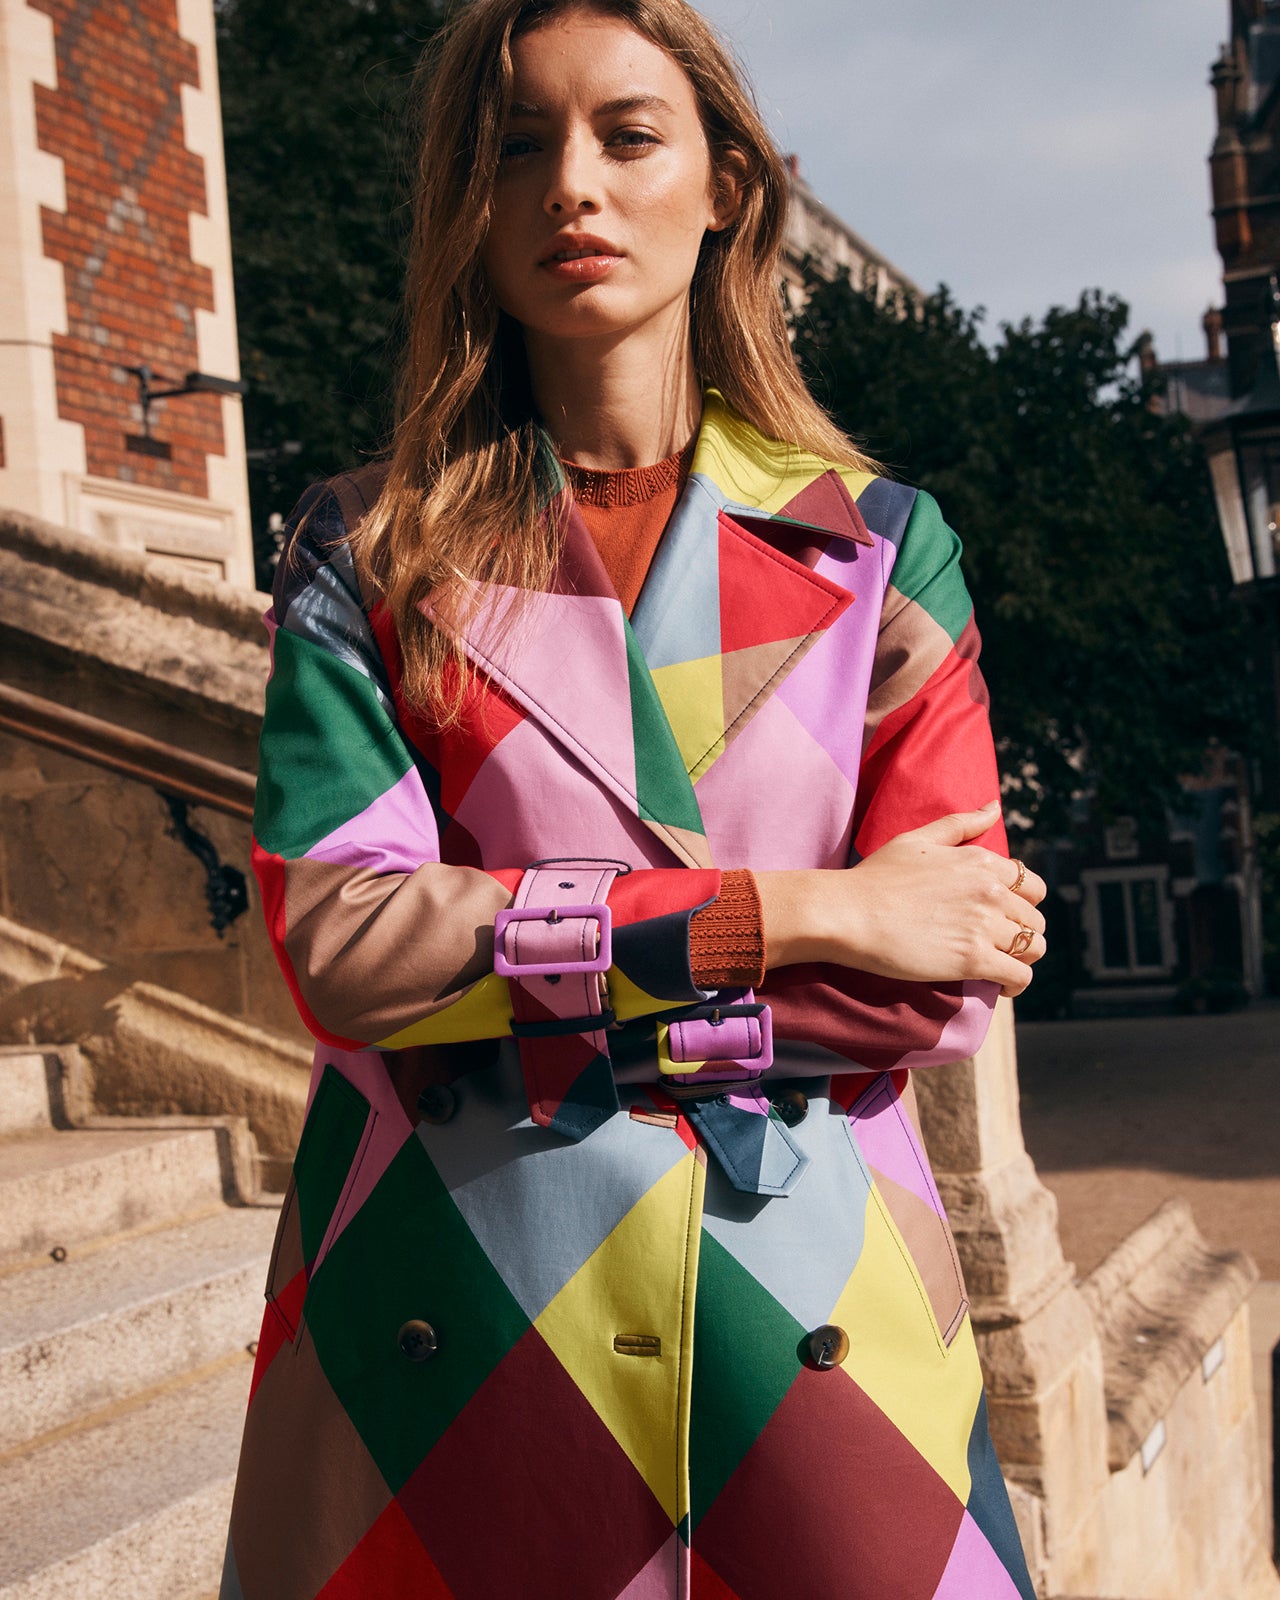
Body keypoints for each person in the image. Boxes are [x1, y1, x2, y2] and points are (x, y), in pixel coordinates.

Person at [220, 0, 1047, 1595]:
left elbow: (937, 981)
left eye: (627, 134)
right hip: (456, 1312)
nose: (570, 187)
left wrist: (507, 994)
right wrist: (801, 913)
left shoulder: (882, 548)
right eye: (514, 147)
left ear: (727, 183)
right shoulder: (366, 553)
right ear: (466, 205)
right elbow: (349, 950)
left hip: (807, 1307)